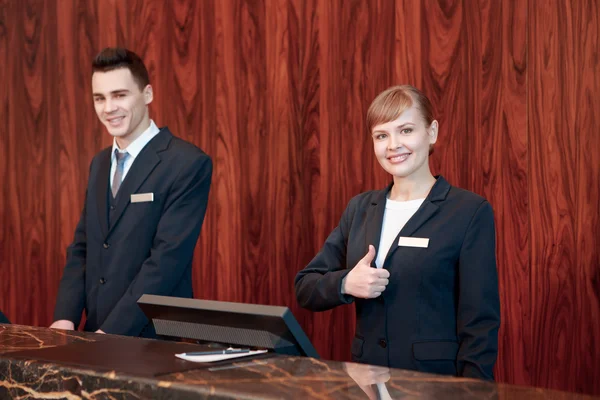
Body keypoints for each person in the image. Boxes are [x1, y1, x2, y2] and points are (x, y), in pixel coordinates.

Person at [295, 85, 500, 380]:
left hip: (434, 385)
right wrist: (346, 283)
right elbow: (306, 286)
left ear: (431, 133)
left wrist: (472, 392)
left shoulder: (468, 211)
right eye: (382, 135)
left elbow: (480, 323)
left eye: (405, 130)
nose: (393, 145)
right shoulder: (360, 209)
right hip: (367, 382)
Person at [50, 47, 212, 337]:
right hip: (94, 337)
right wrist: (65, 318)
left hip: (156, 342)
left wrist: (109, 334)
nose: (108, 107)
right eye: (100, 98)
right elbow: (83, 247)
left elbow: (165, 263)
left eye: (120, 95)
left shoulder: (187, 163)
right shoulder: (99, 163)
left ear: (147, 94)